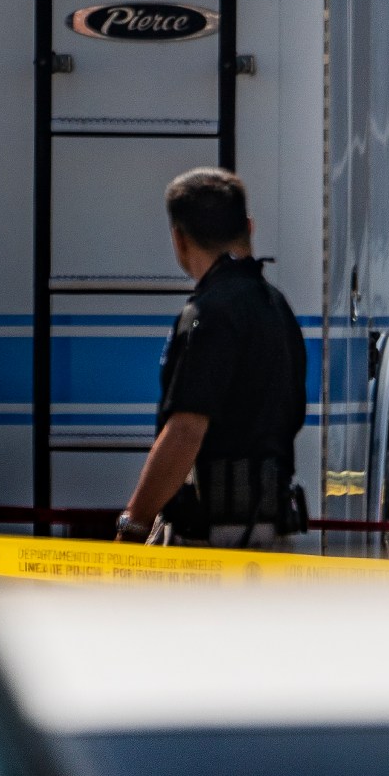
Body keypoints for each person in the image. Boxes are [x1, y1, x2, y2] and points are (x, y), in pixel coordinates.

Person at [114, 168, 309, 547]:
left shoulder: (210, 314)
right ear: (248, 227)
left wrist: (135, 523)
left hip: (218, 540)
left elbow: (185, 432)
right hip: (273, 527)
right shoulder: (276, 305)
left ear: (180, 239)